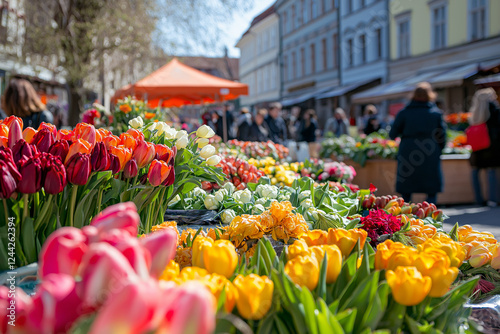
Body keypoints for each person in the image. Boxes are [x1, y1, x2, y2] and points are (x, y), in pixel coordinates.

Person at [389, 82, 446, 204]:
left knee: (406, 188)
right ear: (430, 95)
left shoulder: (404, 113)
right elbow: (442, 135)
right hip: (430, 151)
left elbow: (392, 134)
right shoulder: (436, 113)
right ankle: (430, 217)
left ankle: (406, 217)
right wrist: (439, 149)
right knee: (431, 188)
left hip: (408, 150)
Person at [468, 88, 500, 207]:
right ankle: (492, 199)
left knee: (476, 172)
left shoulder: (475, 112)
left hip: (477, 148)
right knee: (491, 172)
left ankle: (478, 199)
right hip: (492, 147)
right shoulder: (494, 109)